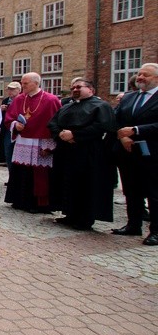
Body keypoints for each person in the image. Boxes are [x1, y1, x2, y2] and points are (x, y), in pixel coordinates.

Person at [48, 78, 116, 231]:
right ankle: (70, 213)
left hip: (88, 152)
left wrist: (75, 135)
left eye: (79, 87)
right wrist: (60, 134)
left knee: (86, 185)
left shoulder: (101, 106)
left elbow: (103, 126)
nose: (75, 90)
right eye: (73, 88)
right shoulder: (67, 106)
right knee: (67, 183)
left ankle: (85, 218)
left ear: (91, 90)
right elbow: (53, 123)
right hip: (66, 151)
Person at [111, 63, 158, 245]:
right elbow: (115, 119)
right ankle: (133, 224)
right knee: (131, 190)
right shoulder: (129, 97)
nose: (140, 77)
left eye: (145, 75)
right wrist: (122, 137)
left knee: (154, 192)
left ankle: (155, 230)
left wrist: (136, 130)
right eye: (139, 74)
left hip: (152, 152)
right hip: (127, 151)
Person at [4, 72, 62, 213]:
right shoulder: (19, 99)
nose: (22, 86)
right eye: (22, 83)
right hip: (23, 140)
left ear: (36, 83)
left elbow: (56, 123)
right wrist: (15, 125)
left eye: (26, 83)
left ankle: (40, 204)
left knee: (40, 175)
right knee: (22, 172)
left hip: (41, 142)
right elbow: (9, 119)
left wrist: (49, 146)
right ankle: (20, 200)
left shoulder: (51, 100)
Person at [0, 81, 21, 171]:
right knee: (8, 152)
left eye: (12, 89)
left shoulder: (22, 100)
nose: (10, 91)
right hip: (7, 129)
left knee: (18, 153)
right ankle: (11, 177)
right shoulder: (6, 100)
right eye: (9, 89)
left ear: (18, 90)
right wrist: (1, 110)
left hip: (19, 130)